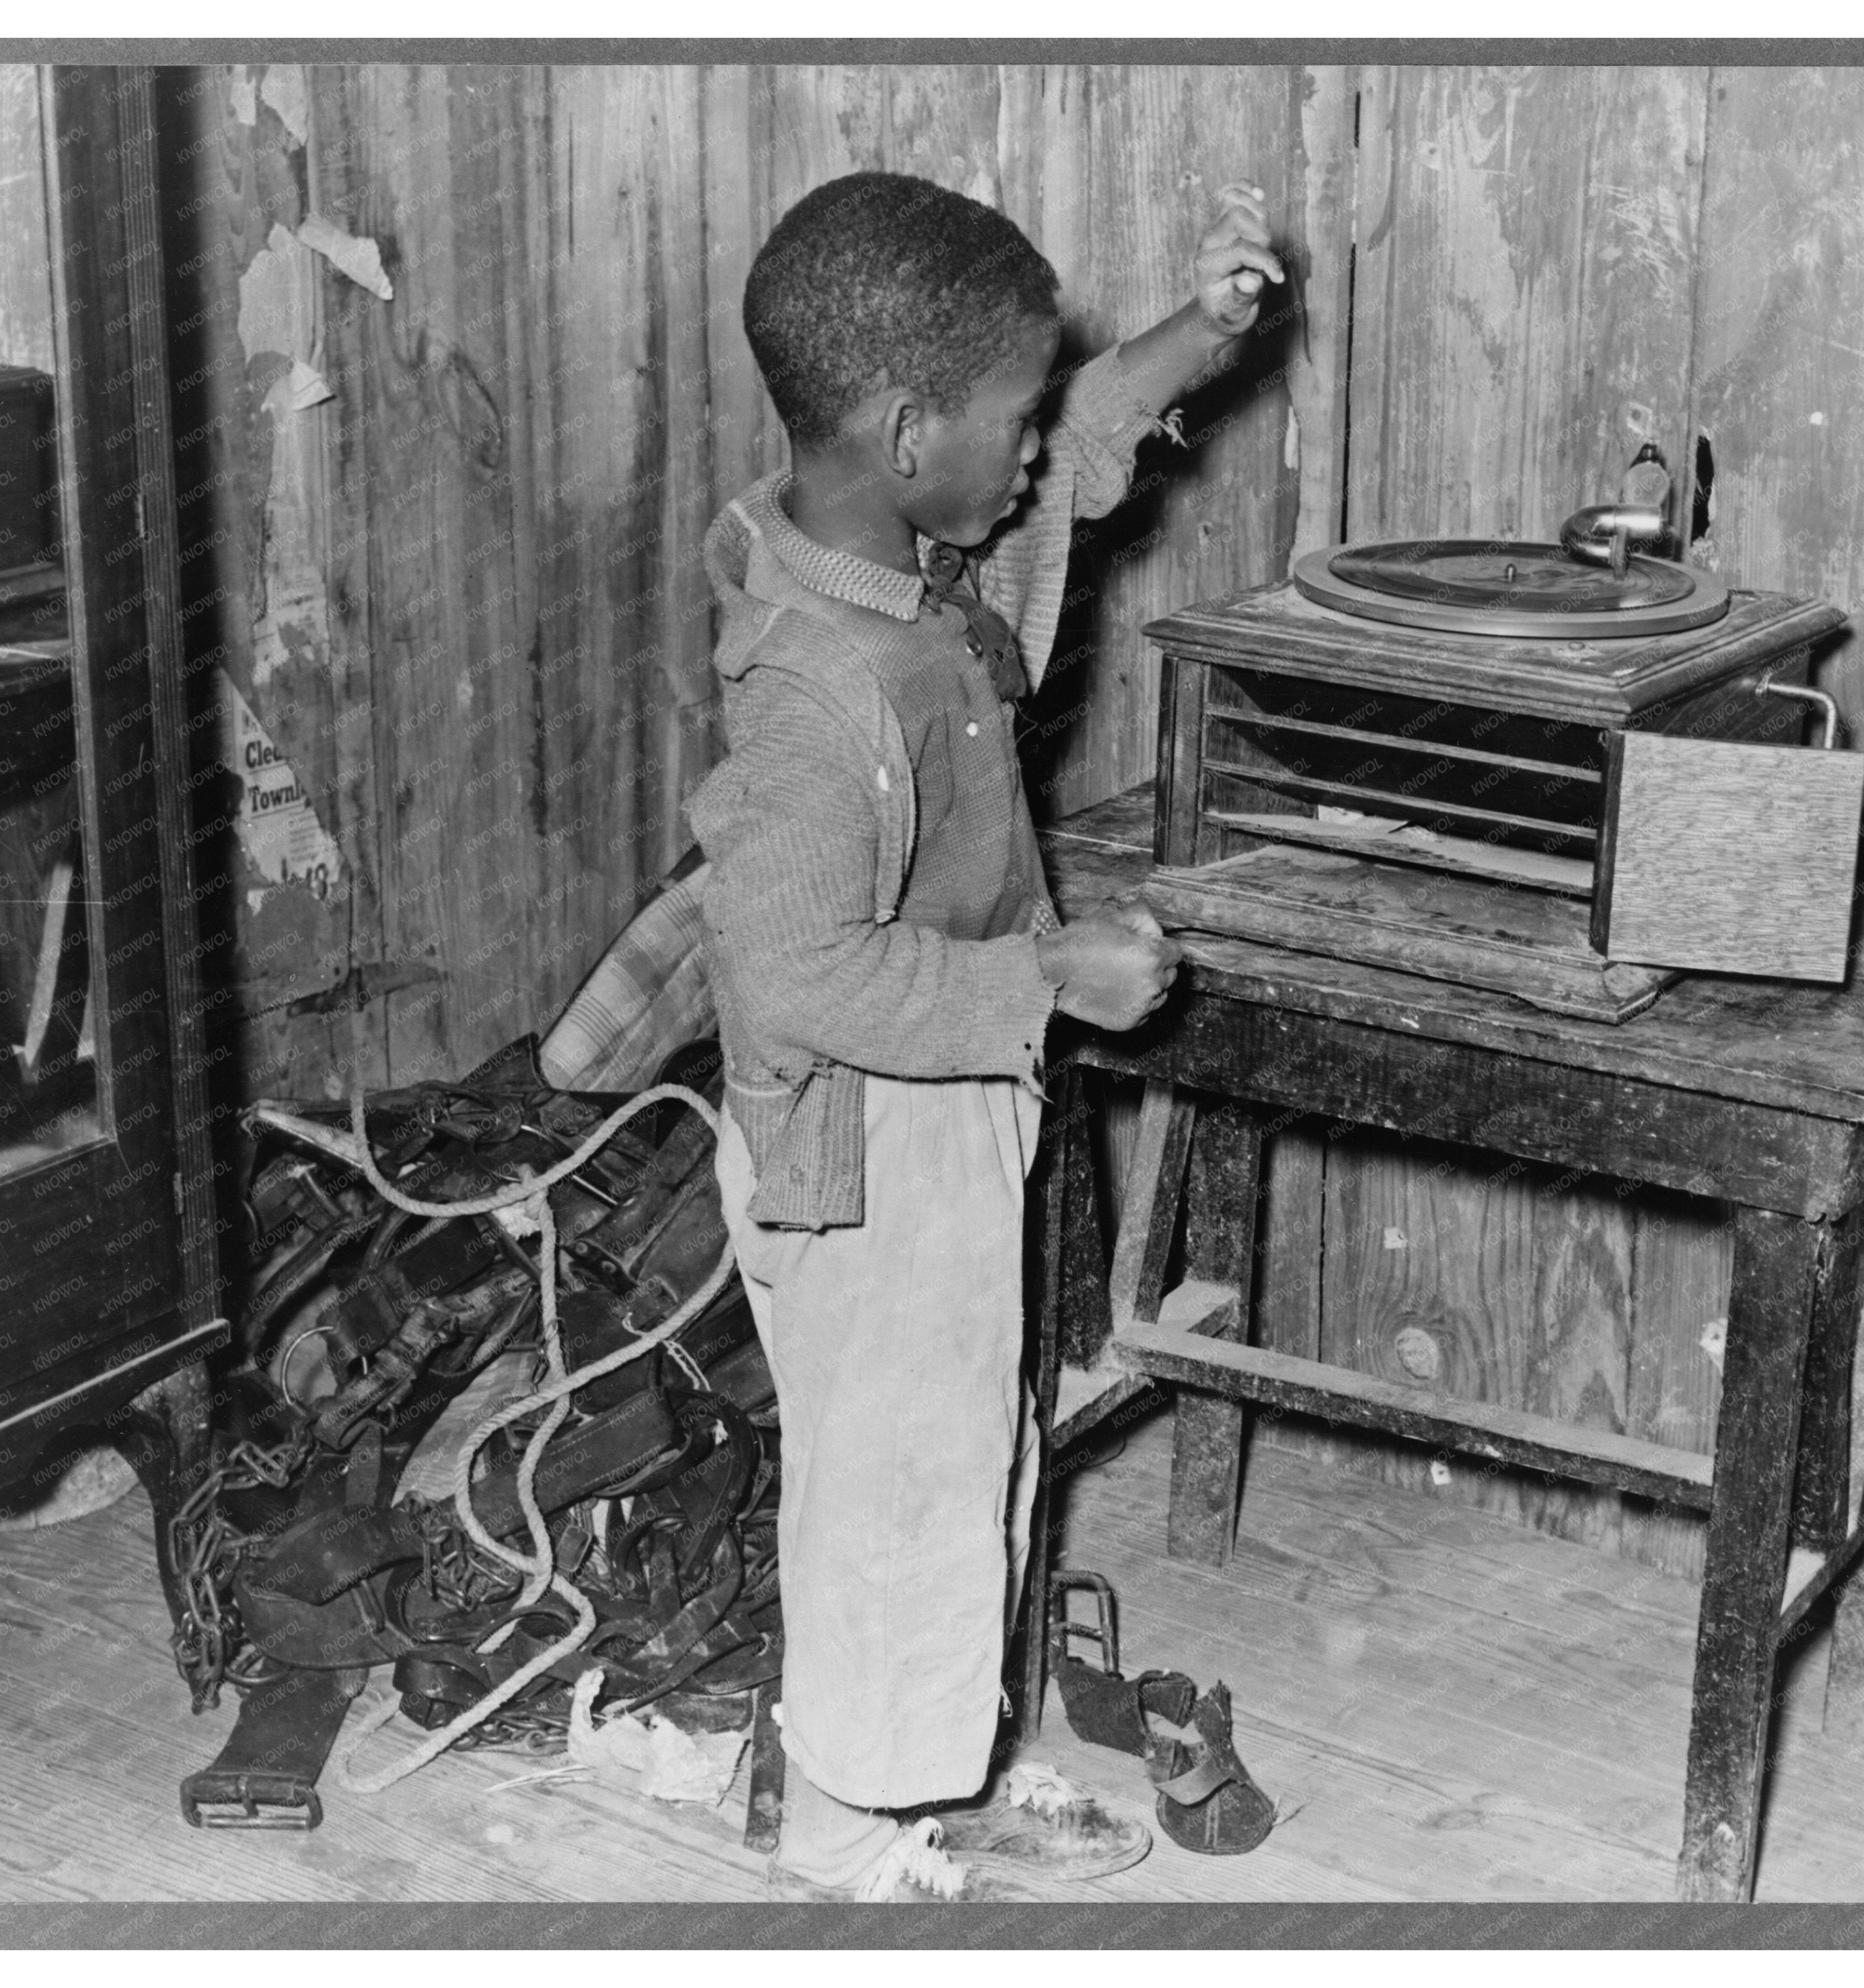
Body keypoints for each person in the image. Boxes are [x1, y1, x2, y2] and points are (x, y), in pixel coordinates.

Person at [547, 168, 1285, 1901]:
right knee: (893, 1488)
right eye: (1013, 420)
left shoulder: (926, 556)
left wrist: (1211, 326)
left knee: (972, 1455)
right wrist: (1045, 981)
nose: (1040, 447)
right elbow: (796, 967)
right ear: (906, 428)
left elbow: (1088, 434)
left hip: (950, 1105)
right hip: (859, 1153)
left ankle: (931, 1767)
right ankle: (847, 1835)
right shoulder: (820, 693)